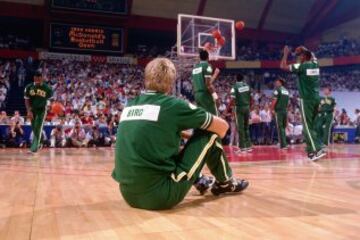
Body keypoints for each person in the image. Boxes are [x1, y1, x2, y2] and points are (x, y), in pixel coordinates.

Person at [112, 58, 248, 210]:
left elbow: (156, 130)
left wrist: (185, 135)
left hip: (128, 195)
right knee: (210, 135)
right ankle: (226, 182)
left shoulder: (130, 105)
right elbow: (222, 128)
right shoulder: (173, 105)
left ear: (146, 79)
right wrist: (200, 140)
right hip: (159, 196)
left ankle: (199, 179)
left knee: (163, 143)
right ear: (171, 82)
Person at [191, 49, 235, 189]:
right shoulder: (207, 66)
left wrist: (214, 75)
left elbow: (203, 84)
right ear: (208, 57)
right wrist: (216, 97)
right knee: (214, 123)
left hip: (198, 95)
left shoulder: (195, 68)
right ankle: (215, 145)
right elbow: (209, 85)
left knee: (203, 122)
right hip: (206, 96)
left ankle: (204, 143)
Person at [280, 46, 325, 161]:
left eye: (299, 56)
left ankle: (317, 150)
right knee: (311, 127)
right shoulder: (315, 64)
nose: (298, 58)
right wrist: (305, 49)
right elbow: (313, 55)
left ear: (304, 57)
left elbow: (283, 66)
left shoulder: (302, 66)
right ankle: (311, 152)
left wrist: (285, 54)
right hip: (316, 98)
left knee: (307, 127)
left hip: (306, 100)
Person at [24, 70, 53, 153]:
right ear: (34, 78)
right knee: (34, 128)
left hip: (42, 110)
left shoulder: (47, 88)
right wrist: (29, 111)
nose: (38, 81)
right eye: (36, 79)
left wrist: (48, 106)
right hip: (32, 109)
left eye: (39, 79)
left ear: (42, 79)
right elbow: (26, 100)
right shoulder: (28, 87)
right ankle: (40, 142)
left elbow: (50, 100)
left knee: (38, 127)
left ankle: (34, 148)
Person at [231, 74, 252, 153]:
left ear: (236, 78)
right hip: (247, 107)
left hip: (239, 108)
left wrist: (233, 109)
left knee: (240, 128)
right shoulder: (247, 86)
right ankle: (248, 146)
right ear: (243, 79)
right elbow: (251, 97)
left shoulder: (234, 87)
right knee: (246, 127)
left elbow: (232, 99)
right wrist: (249, 106)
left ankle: (242, 147)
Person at [271, 77, 289, 149]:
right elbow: (287, 103)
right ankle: (284, 143)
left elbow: (274, 101)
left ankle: (282, 145)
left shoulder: (277, 90)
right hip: (285, 110)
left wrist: (271, 109)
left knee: (280, 127)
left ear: (280, 83)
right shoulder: (286, 91)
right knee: (283, 128)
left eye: (277, 82)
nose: (276, 83)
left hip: (279, 111)